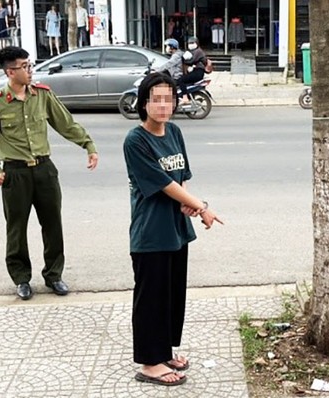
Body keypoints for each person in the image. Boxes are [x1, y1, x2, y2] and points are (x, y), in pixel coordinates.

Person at [122, 72, 222, 386]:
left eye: (169, 98)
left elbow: (180, 177)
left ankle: (163, 351)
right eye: (156, 99)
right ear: (144, 103)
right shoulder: (136, 140)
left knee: (170, 296)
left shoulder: (175, 132)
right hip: (151, 232)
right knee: (150, 297)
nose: (164, 105)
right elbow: (163, 183)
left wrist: (189, 204)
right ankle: (150, 364)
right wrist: (202, 206)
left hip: (176, 229)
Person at [0, 46, 99, 300]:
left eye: (30, 64)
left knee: (53, 225)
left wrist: (88, 145)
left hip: (44, 170)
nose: (30, 70)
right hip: (15, 173)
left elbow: (65, 123)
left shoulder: (42, 95)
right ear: (11, 72)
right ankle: (21, 278)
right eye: (24, 66)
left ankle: (54, 275)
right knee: (16, 229)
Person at [178, 36, 207, 105]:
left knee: (181, 80)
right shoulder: (193, 51)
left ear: (196, 43)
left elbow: (191, 61)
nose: (190, 45)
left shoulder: (198, 51)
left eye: (192, 43)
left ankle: (185, 98)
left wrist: (183, 59)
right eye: (189, 43)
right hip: (196, 71)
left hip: (198, 72)